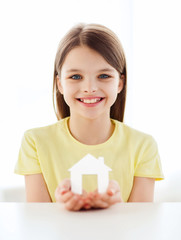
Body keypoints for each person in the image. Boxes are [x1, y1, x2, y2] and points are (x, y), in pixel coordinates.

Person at [15, 23, 164, 211]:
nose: (90, 88)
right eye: (76, 77)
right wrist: (60, 209)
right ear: (59, 84)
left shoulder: (143, 146)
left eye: (103, 76)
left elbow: (141, 228)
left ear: (120, 83)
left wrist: (118, 208)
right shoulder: (35, 142)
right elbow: (37, 224)